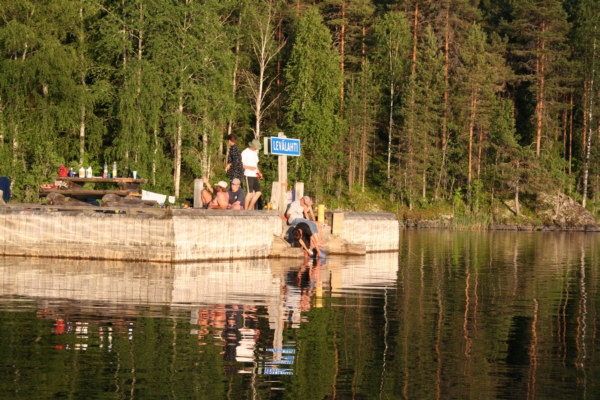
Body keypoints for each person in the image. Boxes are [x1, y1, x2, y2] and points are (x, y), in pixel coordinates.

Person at [242, 138, 262, 210]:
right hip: (248, 174)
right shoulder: (245, 152)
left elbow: (255, 164)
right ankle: (245, 209)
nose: (256, 149)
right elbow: (241, 165)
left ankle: (250, 208)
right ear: (252, 146)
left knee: (258, 192)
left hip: (254, 174)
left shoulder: (255, 152)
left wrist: (258, 172)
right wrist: (250, 167)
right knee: (249, 193)